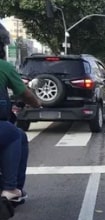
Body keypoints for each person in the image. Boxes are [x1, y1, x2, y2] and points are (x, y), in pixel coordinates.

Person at [0, 23, 41, 205]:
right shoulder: (4, 67)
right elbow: (24, 93)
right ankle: (11, 189)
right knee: (15, 135)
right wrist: (36, 103)